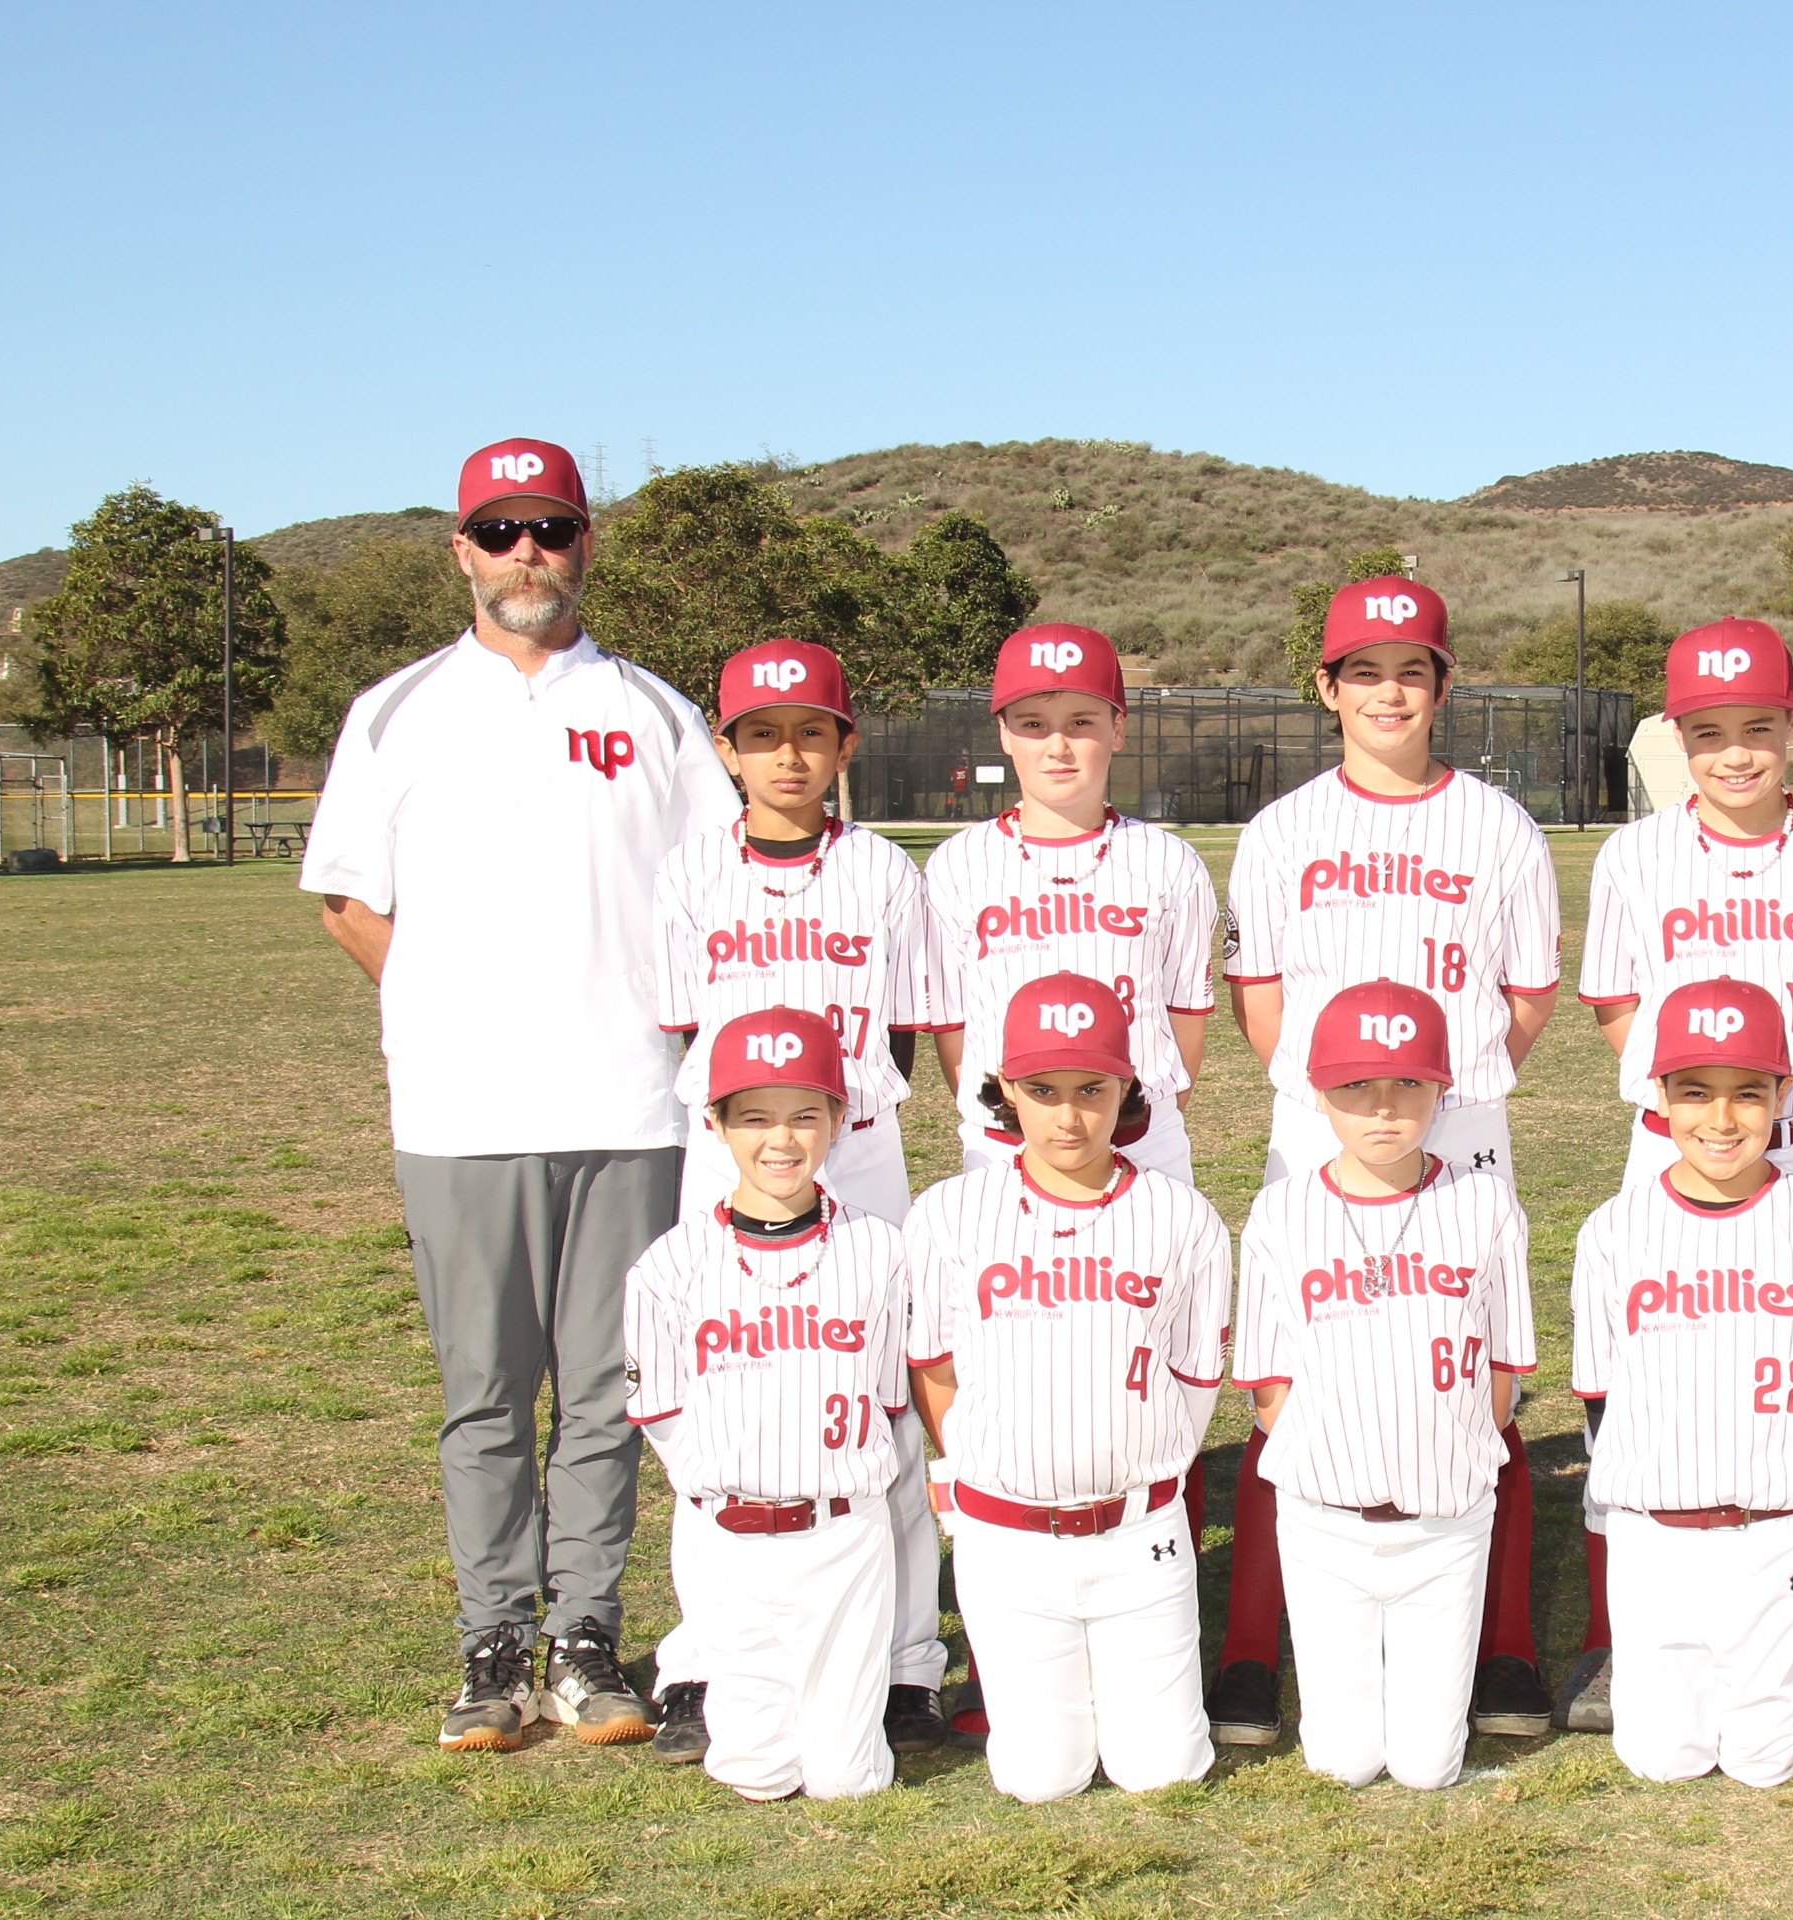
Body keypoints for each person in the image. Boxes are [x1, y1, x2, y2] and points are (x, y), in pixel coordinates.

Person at [300, 437, 732, 1752]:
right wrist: (444, 1005)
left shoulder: (654, 713)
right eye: (500, 531)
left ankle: (587, 1636)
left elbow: (714, 894)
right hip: (461, 1115)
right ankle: (492, 1642)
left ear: (585, 543)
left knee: (606, 1393)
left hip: (628, 1110)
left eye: (549, 528)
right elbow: (348, 900)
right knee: (484, 1394)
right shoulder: (396, 711)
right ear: (462, 552)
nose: (526, 553)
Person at [1216, 576, 1563, 1745]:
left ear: (1443, 685)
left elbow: (1525, 996)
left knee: (1474, 1368)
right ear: (1327, 687)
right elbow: (1261, 996)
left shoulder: (1499, 826)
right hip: (1321, 1124)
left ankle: (1503, 1644)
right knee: (1296, 1371)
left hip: (1455, 1121)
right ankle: (1254, 1649)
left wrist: (1444, 1093)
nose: (1389, 692)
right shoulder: (1284, 830)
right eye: (1363, 671)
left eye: (1413, 670)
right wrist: (1336, 1099)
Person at [1564, 617, 1793, 1742]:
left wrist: (1761, 1111)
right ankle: (1621, 1640)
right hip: (1672, 1144)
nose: (1736, 753)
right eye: (1709, 732)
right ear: (1678, 737)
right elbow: (1616, 1002)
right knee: (1644, 1387)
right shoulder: (1635, 857)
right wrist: (1695, 1112)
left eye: (1757, 727)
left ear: (1791, 725)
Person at [646, 639, 950, 1762]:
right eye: (762, 735)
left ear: (843, 745)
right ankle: (706, 1659)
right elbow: (683, 1025)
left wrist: (838, 1128)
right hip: (728, 1154)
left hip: (858, 1153)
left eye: (810, 733)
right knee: (719, 1403)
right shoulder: (689, 872)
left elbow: (906, 1028)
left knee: (882, 1403)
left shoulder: (884, 873)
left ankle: (906, 1660)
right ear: (727, 749)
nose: (787, 755)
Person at [903, 974, 1227, 1802]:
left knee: (1161, 1773)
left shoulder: (1181, 1216)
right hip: (1008, 1540)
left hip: (1138, 1535)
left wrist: (1132, 1464)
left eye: (1092, 1089)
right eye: (1042, 1091)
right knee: (1040, 1779)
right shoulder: (948, 1213)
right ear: (1005, 1089)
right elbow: (936, 1371)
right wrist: (992, 1467)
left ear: (1127, 1088)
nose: (1070, 1117)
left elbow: (1194, 1382)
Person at [1570, 982, 1793, 1790]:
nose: (1721, 1118)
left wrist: (1775, 1473)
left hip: (1777, 1528)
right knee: (1662, 1759)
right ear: (1659, 1096)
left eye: (1748, 1092)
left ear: (1784, 1093)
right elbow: (1599, 1396)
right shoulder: (1613, 1231)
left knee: (1764, 1761)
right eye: (1695, 1091)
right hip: (1655, 1531)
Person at [1232, 983, 1536, 1792]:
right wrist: (1337, 1465)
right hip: (1325, 1526)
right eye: (1356, 1085)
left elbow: (1502, 1370)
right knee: (1343, 1762)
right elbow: (1269, 1387)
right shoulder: (1281, 1211)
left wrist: (1448, 1458)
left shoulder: (1484, 1203)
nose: (1383, 1107)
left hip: (1445, 1524)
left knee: (1428, 1767)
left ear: (1443, 1088)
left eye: (1407, 1082)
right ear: (1317, 1091)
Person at [621, 1009, 914, 1801]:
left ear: (838, 1121)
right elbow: (663, 1413)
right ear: (714, 1123)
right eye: (754, 1117)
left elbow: (889, 1399)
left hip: (844, 1531)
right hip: (726, 1537)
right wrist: (732, 1477)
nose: (780, 1140)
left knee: (847, 1778)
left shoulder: (882, 1251)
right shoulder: (670, 1265)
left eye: (804, 1116)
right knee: (755, 1771)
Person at [920, 624, 1216, 1185]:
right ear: (1004, 733)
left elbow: (1185, 1013)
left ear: (1118, 728)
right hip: (1002, 1145)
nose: (1057, 746)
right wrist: (1005, 1112)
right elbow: (954, 1023)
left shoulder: (1168, 860)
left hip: (1142, 1140)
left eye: (1081, 722)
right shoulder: (958, 863)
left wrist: (1143, 1114)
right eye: (1033, 724)